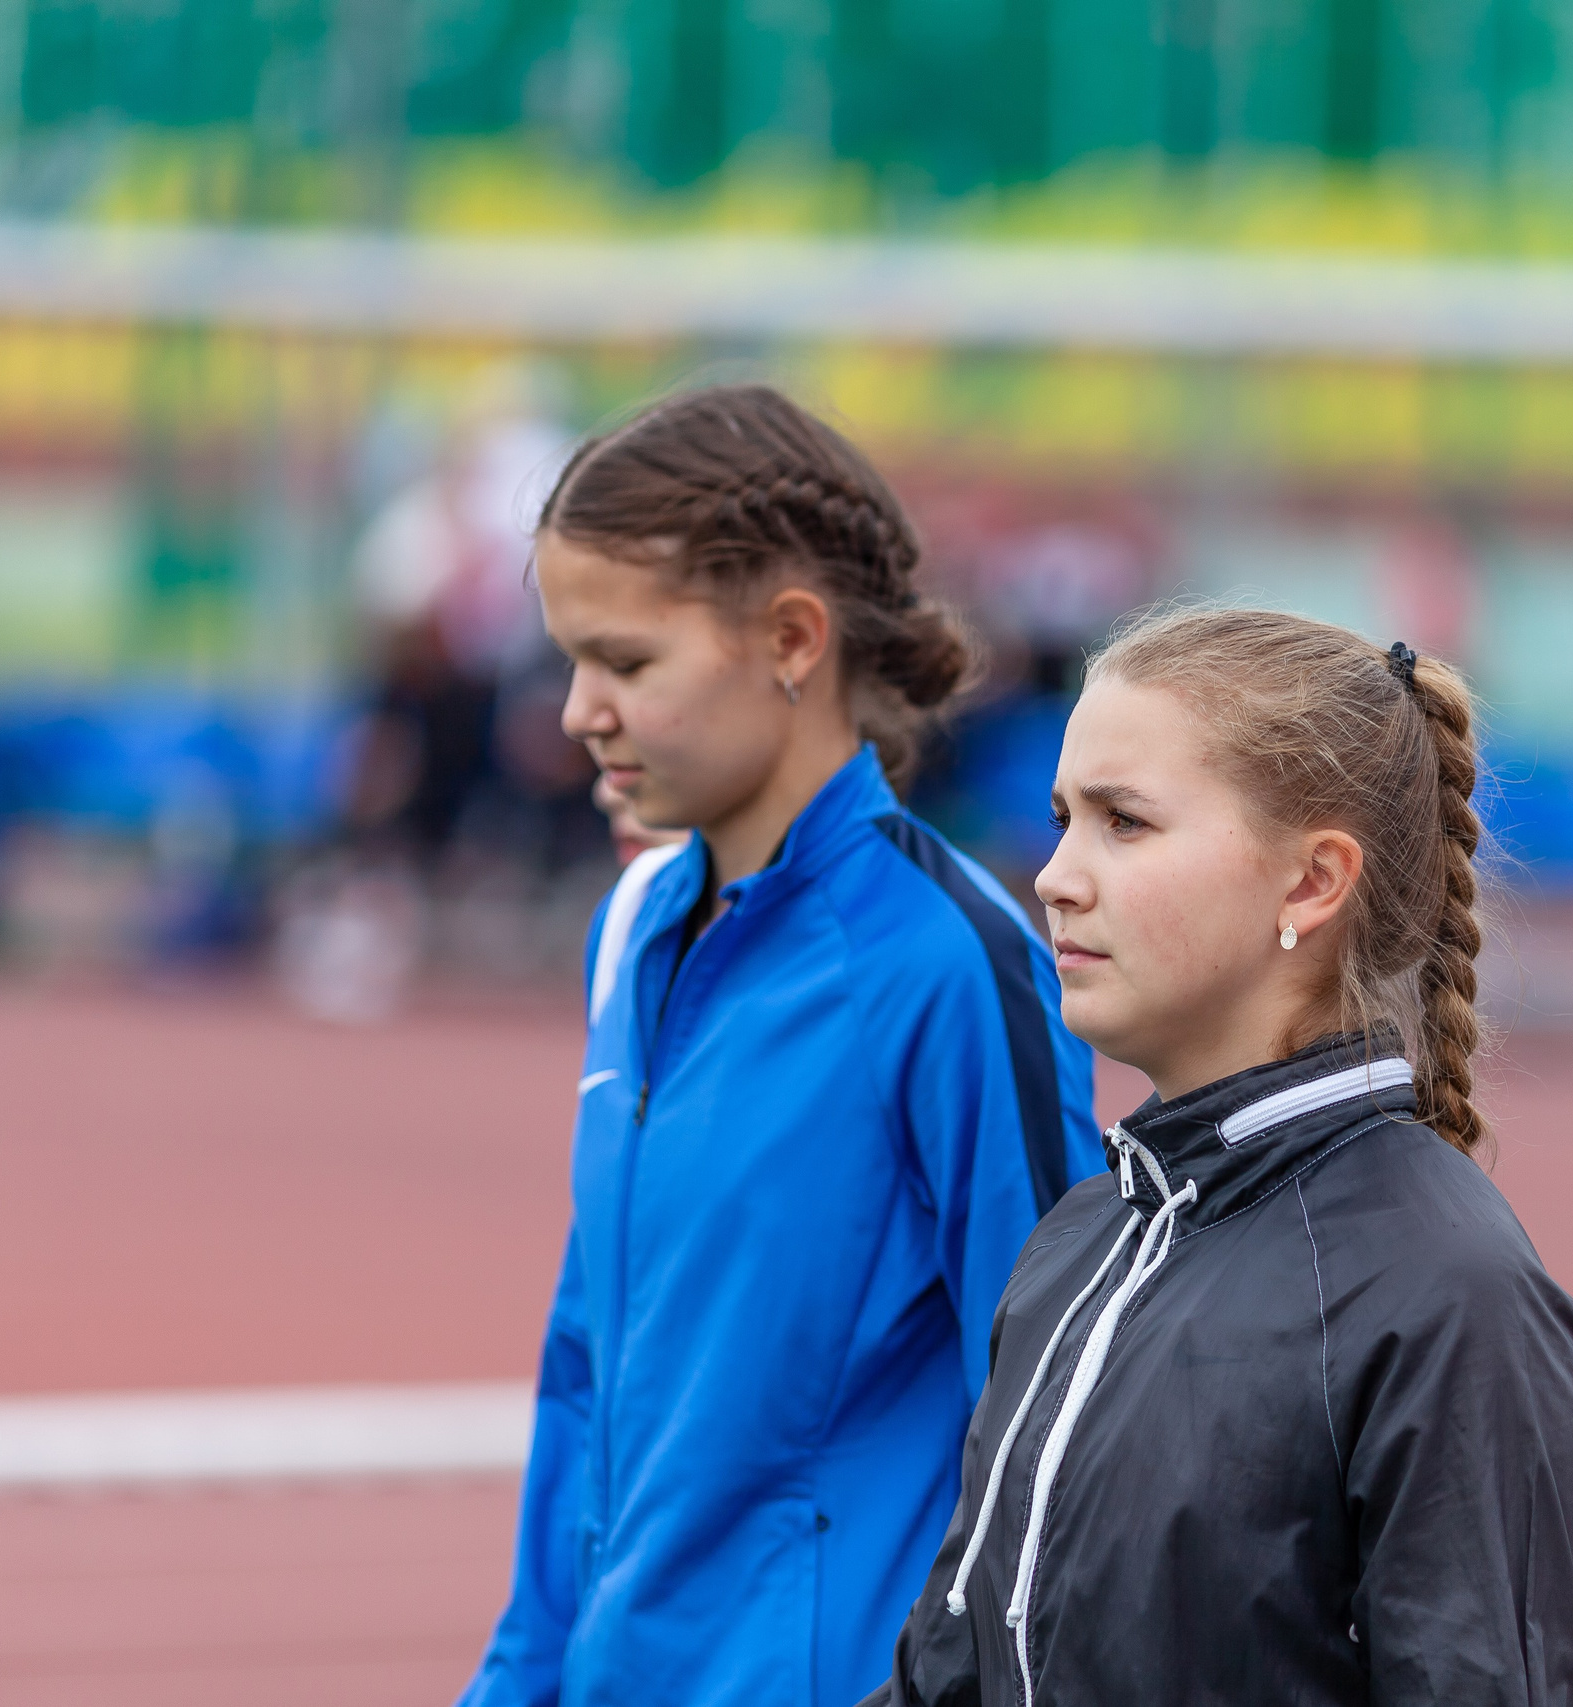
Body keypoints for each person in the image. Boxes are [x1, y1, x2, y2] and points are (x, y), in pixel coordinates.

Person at [457, 383, 1102, 1707]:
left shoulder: (943, 962)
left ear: (793, 639)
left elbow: (1062, 1410)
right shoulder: (634, 925)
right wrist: (519, 1676)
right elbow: (588, 1365)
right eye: (569, 660)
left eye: (627, 662)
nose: (577, 709)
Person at [872, 608, 1573, 1704]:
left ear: (1311, 882)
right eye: (1062, 819)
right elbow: (950, 1673)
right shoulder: (1083, 1239)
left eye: (1124, 822)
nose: (1054, 877)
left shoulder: (1446, 1295)